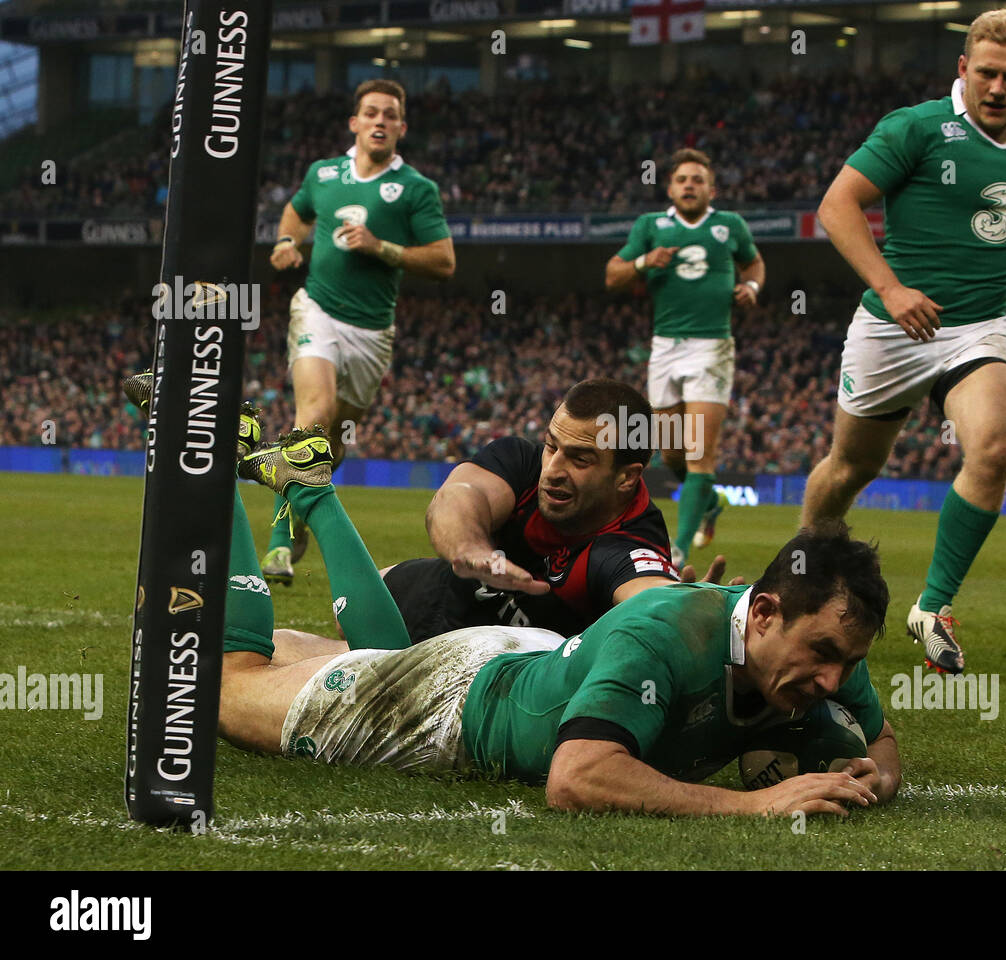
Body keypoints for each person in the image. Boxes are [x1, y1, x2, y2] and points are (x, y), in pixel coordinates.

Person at [219, 428, 900, 817]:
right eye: (822, 654)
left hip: (537, 658)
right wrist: (759, 804)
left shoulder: (827, 646)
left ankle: (309, 488)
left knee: (324, 655)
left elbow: (884, 741)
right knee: (227, 684)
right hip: (458, 704)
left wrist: (867, 779)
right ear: (763, 612)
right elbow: (575, 780)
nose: (835, 678)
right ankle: (209, 455)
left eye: (845, 661)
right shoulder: (662, 631)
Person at [800, 8, 1006, 675]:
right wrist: (890, 289)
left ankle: (932, 606)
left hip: (977, 330)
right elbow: (837, 206)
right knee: (851, 469)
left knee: (996, 448)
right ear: (964, 69)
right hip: (892, 328)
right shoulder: (915, 128)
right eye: (988, 74)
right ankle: (804, 565)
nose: (999, 89)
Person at [263, 78, 456, 586]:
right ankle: (279, 543)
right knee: (314, 415)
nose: (379, 121)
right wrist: (287, 240)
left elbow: (443, 261)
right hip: (317, 309)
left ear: (401, 127)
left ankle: (299, 515)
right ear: (354, 122)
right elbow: (298, 212)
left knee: (334, 441)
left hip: (371, 332)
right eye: (370, 112)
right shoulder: (323, 173)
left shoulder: (416, 189)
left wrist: (381, 247)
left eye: (389, 115)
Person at [381, 378, 727, 644]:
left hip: (496, 663)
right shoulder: (521, 461)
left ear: (626, 477)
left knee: (341, 675)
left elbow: (648, 594)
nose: (553, 469)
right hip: (449, 595)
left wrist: (689, 617)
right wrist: (472, 550)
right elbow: (456, 498)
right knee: (357, 600)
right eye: (552, 446)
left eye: (580, 459)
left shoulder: (629, 544)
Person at [605, 148, 766, 569]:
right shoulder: (651, 227)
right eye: (682, 180)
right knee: (672, 453)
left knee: (698, 454)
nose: (689, 185)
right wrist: (643, 261)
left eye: (698, 179)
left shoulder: (729, 225)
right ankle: (710, 502)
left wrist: (752, 287)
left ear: (712, 189)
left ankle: (676, 550)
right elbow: (612, 275)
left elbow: (755, 263)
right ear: (670, 188)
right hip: (664, 347)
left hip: (711, 347)